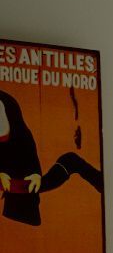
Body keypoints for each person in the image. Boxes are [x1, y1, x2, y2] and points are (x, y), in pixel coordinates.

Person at [0, 89, 102, 228]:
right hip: (16, 188)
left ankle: (103, 183)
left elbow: (29, 153)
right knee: (70, 160)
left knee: (70, 160)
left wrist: (35, 174)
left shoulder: (20, 132)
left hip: (29, 185)